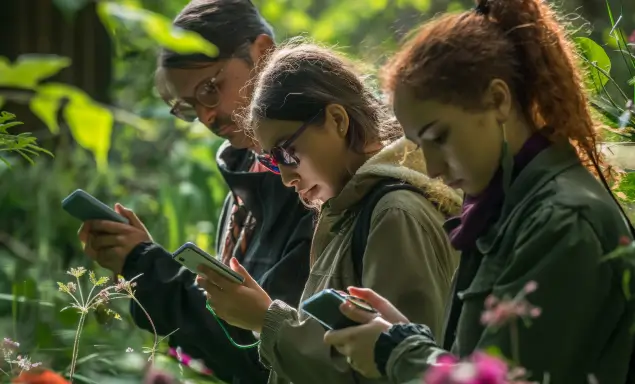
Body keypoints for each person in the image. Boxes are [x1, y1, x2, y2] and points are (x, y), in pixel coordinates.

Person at [323, 0, 635, 383]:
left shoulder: (563, 220)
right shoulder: (501, 213)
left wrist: (396, 354)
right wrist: (404, 335)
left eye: (440, 137)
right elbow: (483, 362)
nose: (433, 168)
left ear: (499, 100)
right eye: (421, 146)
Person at [194, 40, 463, 384]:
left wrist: (267, 320)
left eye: (287, 152)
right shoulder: (350, 211)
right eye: (271, 162)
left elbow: (395, 369)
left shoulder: (395, 213)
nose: (287, 177)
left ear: (337, 119)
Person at [78, 1, 314, 383]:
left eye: (210, 89)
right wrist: (142, 263)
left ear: (263, 51)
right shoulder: (245, 179)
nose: (206, 116)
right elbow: (224, 339)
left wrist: (147, 268)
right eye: (189, 107)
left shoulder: (317, 182)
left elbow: (265, 355)